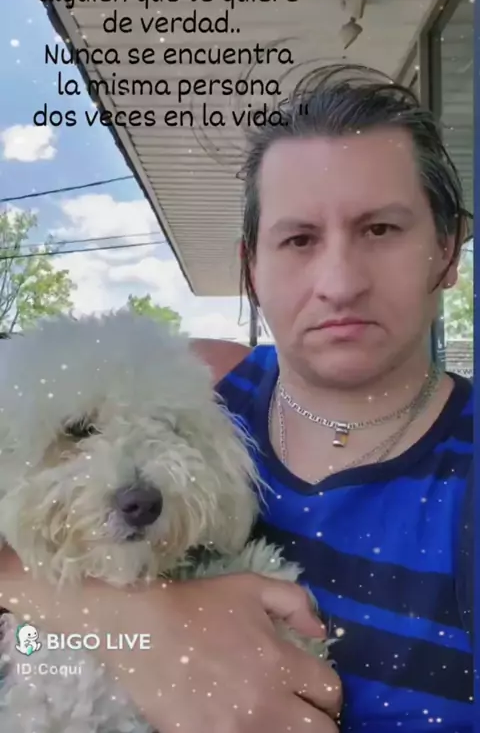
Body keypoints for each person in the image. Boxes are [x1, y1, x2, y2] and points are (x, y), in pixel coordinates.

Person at [1, 64, 473, 732]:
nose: (340, 282)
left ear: (447, 250)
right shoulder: (201, 388)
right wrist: (130, 621)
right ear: (253, 268)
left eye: (381, 230)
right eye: (299, 239)